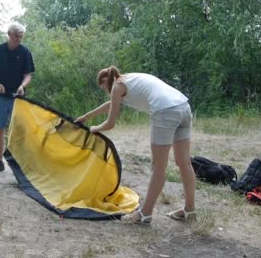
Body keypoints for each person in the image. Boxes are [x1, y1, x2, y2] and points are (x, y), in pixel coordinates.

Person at [74, 66, 195, 224]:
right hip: (183, 107)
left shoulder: (117, 86)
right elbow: (111, 104)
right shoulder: (127, 80)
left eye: (103, 87)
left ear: (105, 81)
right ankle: (190, 210)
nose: (105, 91)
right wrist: (86, 116)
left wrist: (93, 129)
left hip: (165, 111)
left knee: (159, 167)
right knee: (184, 163)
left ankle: (144, 214)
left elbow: (110, 123)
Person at [0, 22, 35, 174]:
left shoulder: (25, 52)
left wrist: (22, 86)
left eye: (21, 37)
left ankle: (20, 164)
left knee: (19, 131)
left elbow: (28, 75)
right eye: (16, 36)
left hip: (18, 98)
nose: (19, 39)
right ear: (9, 34)